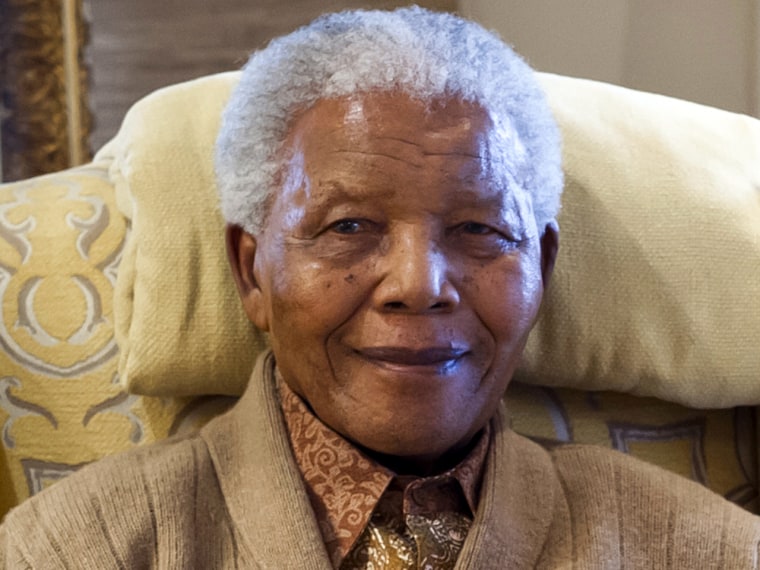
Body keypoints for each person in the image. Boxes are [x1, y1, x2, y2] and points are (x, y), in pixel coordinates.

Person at [1, 7, 759, 569]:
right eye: (349, 227)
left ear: (543, 269)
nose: (418, 285)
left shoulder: (698, 546)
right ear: (250, 272)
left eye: (482, 231)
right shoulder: (80, 545)